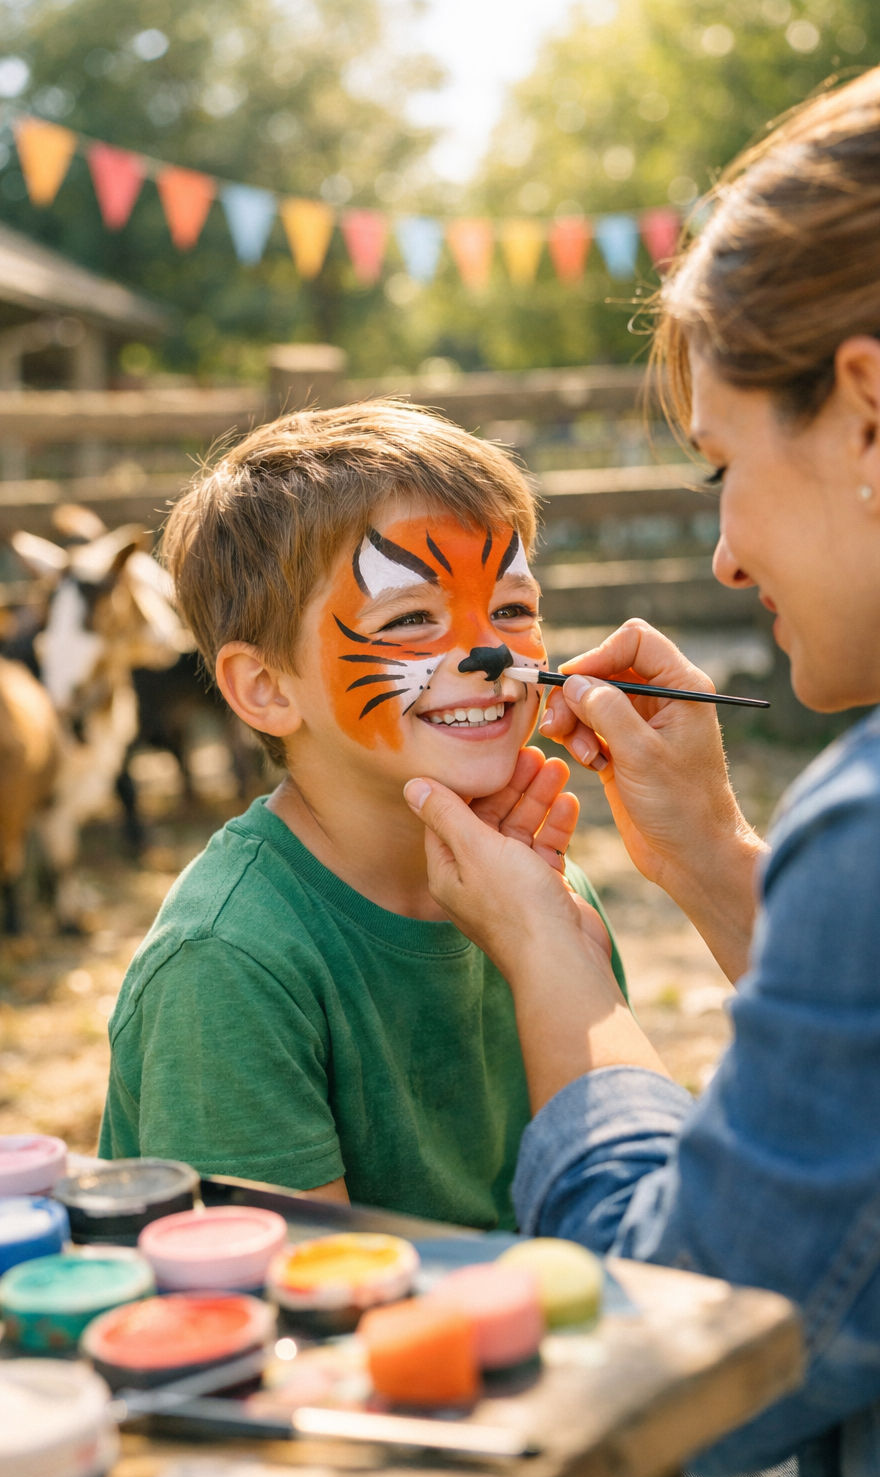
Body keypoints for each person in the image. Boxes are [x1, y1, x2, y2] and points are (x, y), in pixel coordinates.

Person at [402, 18, 880, 1477]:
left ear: (872, 417)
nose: (728, 552)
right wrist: (710, 855)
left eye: (721, 464)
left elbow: (696, 1343)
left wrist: (559, 960)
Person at [98, 399, 629, 1228]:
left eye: (514, 609)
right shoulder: (229, 964)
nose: (487, 652)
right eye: (411, 619)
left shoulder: (549, 899)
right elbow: (303, 1307)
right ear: (267, 689)